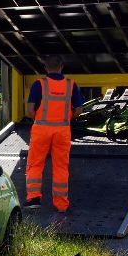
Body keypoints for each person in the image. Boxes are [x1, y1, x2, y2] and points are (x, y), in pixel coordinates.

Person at [24, 55, 84, 213]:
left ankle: (34, 199)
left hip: (41, 131)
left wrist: (39, 116)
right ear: (62, 66)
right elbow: (78, 110)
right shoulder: (71, 85)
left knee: (35, 164)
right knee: (61, 166)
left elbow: (29, 110)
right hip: (62, 132)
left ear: (45, 68)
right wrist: (68, 116)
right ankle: (61, 204)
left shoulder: (39, 85)